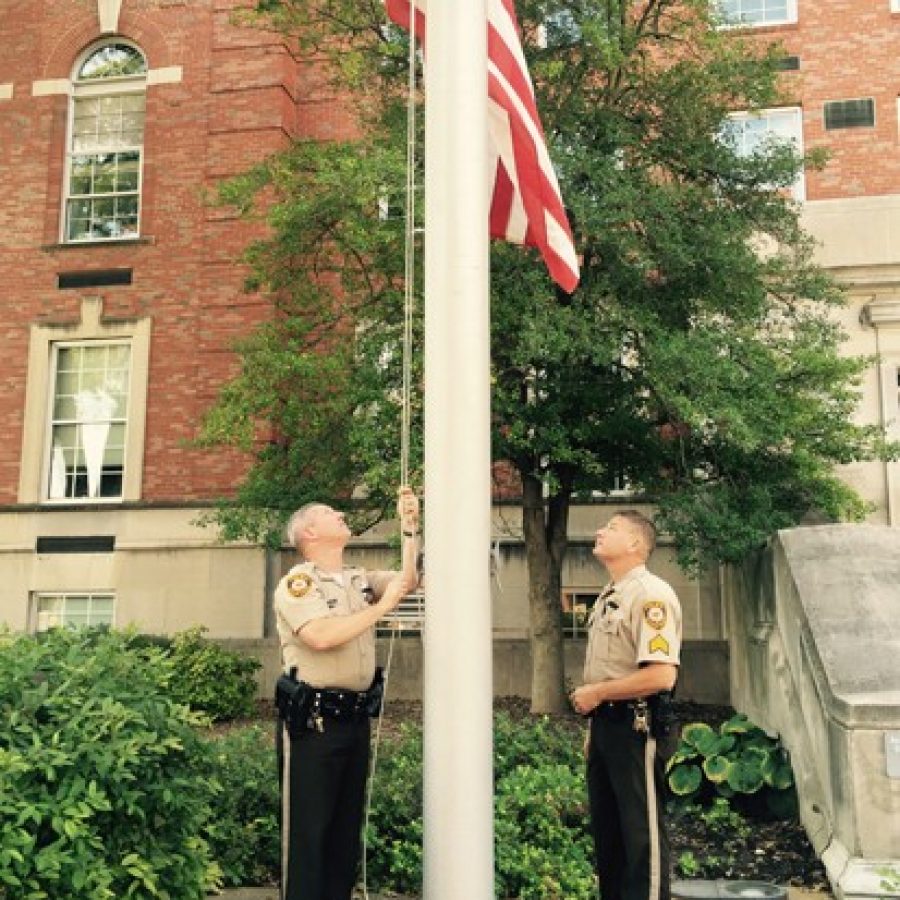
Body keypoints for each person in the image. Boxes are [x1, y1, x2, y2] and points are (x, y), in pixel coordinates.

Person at [274, 487, 420, 900]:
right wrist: (380, 608)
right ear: (310, 533)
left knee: (342, 837)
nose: (340, 512)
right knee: (310, 836)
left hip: (354, 719)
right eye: (328, 511)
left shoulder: (357, 578)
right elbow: (320, 636)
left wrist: (410, 529)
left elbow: (408, 581)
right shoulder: (298, 584)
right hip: (314, 725)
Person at [570, 509, 682, 900]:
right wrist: (595, 725)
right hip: (607, 728)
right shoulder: (610, 595)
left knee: (641, 840)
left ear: (635, 544)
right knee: (611, 838)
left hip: (637, 728)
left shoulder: (651, 595)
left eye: (612, 528)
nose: (600, 531)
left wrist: (598, 694)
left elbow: (661, 676)